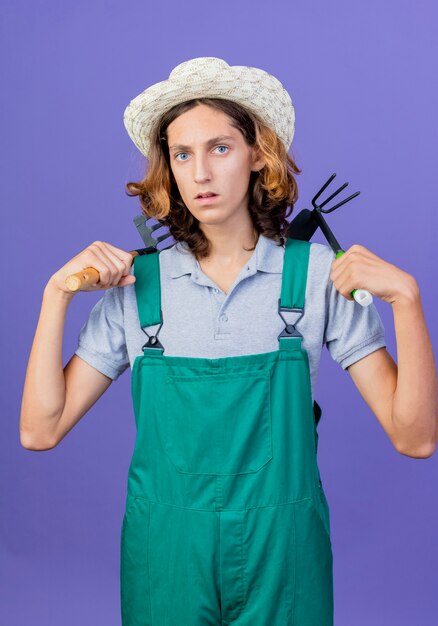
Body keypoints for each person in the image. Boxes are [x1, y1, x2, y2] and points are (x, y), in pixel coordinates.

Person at [20, 57, 437, 626]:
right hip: (166, 556)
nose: (200, 174)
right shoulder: (138, 288)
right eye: (182, 154)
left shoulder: (314, 276)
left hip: (283, 556)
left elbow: (414, 439)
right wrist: (54, 296)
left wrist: (408, 302)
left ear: (258, 155)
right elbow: (39, 430)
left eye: (220, 148)